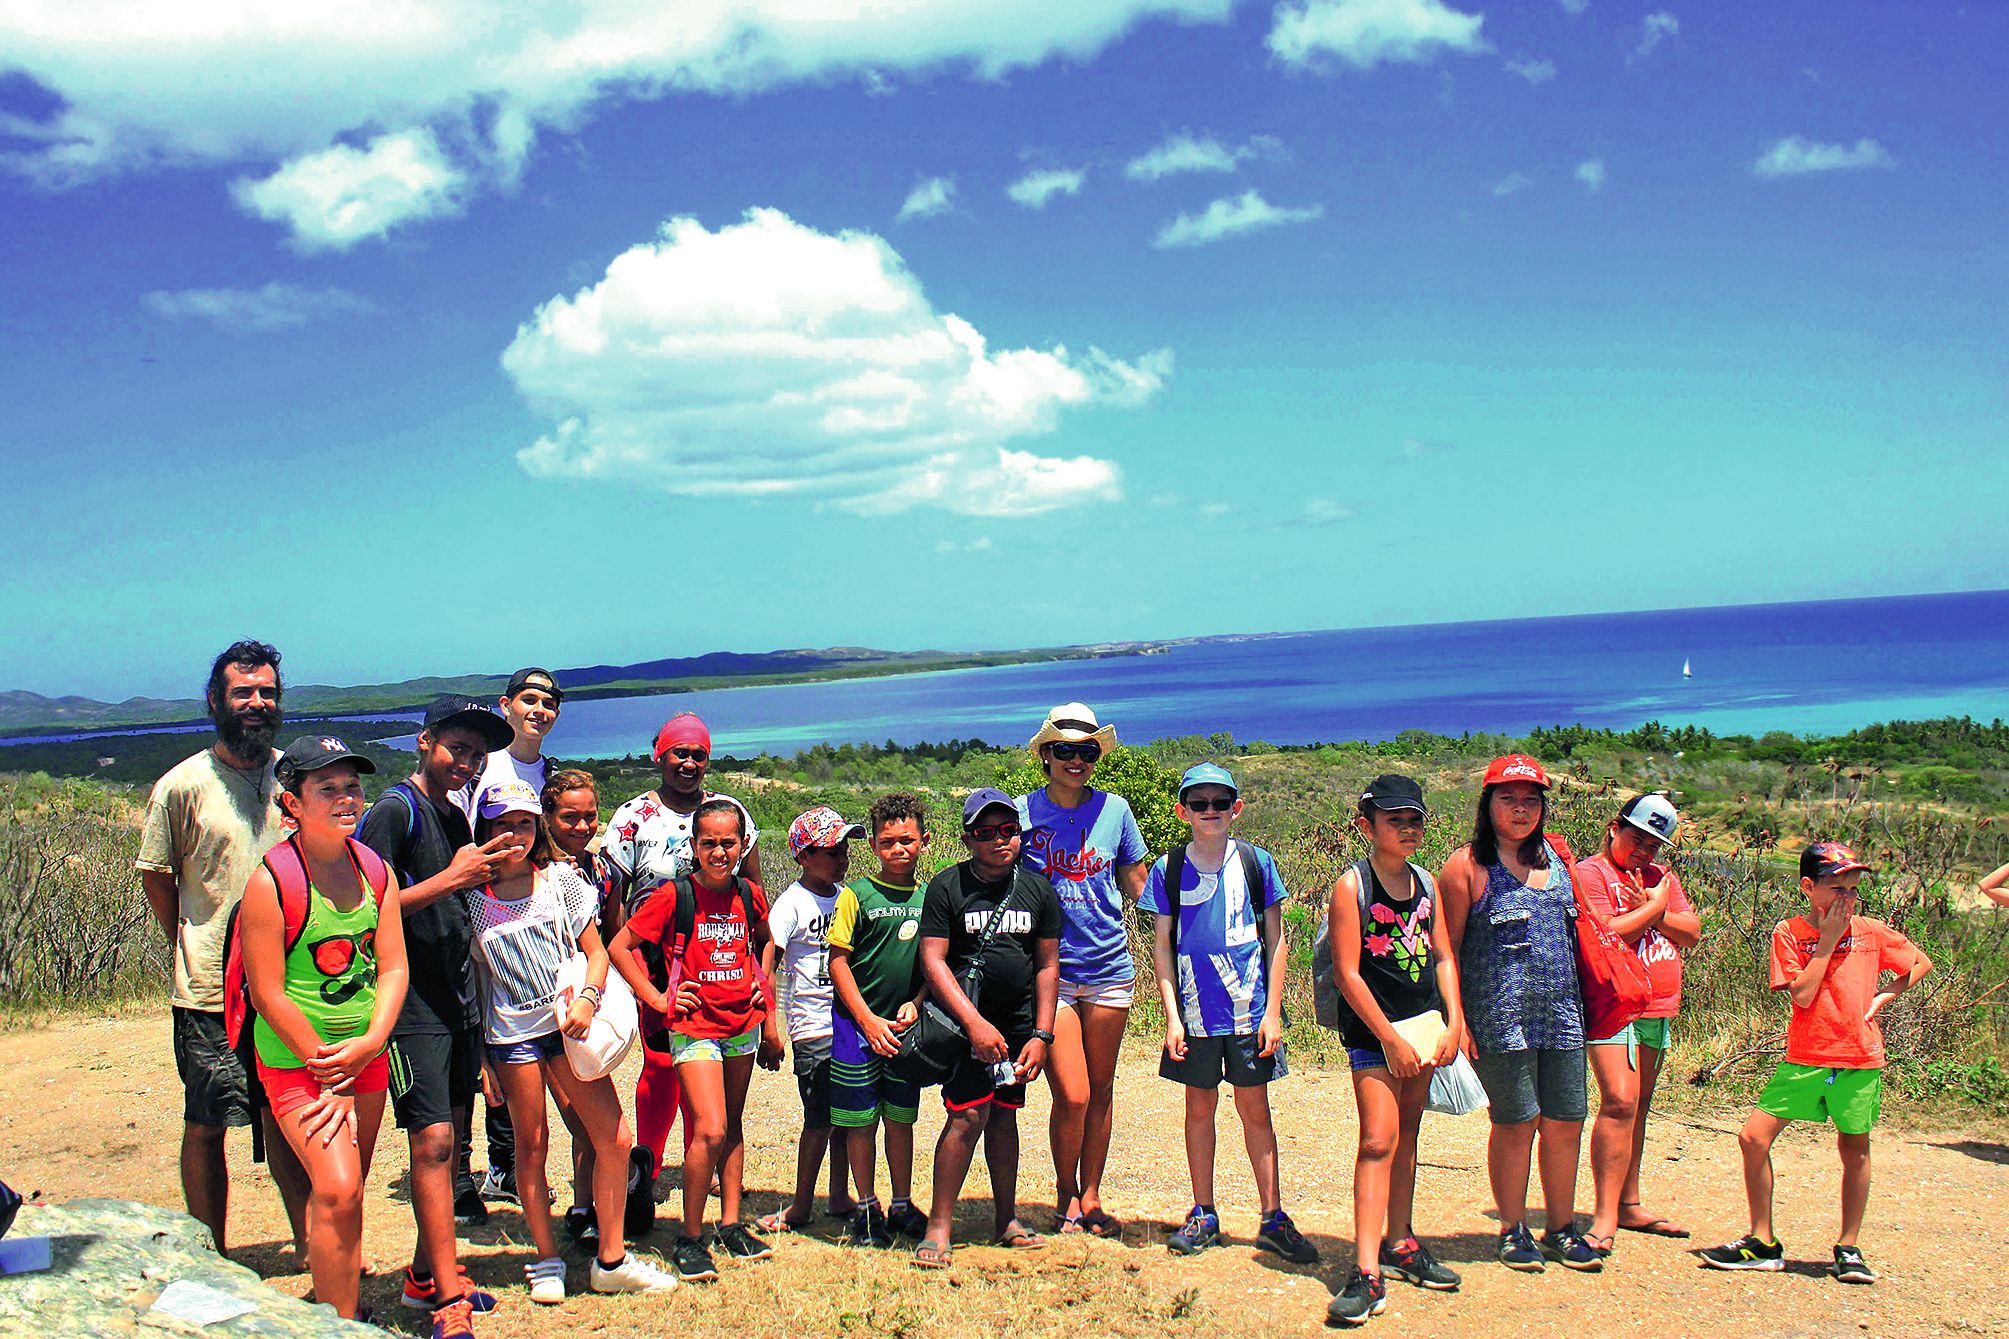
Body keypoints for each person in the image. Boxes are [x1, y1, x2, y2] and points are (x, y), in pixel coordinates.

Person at [465, 782, 678, 1301]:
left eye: (522, 822)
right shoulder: (470, 897)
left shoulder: (561, 881)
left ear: (536, 826)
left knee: (614, 1138)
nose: (513, 835)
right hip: (510, 1038)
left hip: (568, 1030)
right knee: (531, 1148)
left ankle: (610, 1258)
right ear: (483, 830)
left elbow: (598, 950)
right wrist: (482, 1061)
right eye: (500, 824)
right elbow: (476, 982)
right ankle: (545, 1258)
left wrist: (587, 996)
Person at [135, 640, 311, 1259]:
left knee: (288, 1122)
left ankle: (314, 1244)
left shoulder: (294, 776)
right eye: (244, 693)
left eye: (267, 693)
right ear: (216, 701)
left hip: (292, 985)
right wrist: (191, 938)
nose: (257, 704)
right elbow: (160, 876)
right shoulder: (181, 786)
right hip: (211, 985)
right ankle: (210, 1253)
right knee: (208, 1123)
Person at [357, 696, 516, 1335]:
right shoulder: (393, 813)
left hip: (456, 1000)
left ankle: (427, 1276)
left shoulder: (453, 814)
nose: (467, 762)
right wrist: (453, 880)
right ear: (424, 742)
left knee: (449, 1146)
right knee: (434, 1142)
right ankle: (446, 1297)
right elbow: (364, 916)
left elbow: (457, 896)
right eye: (457, 748)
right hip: (412, 1004)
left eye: (478, 754)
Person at [1702, 842, 1932, 1284]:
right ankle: (1762, 1242)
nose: (1846, 897)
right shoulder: (1789, 932)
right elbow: (1802, 995)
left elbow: (1918, 962)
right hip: (1806, 1058)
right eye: (1835, 887)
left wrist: (1887, 994)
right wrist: (1826, 941)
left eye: (1852, 887)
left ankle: (1848, 1246)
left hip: (1859, 1058)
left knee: (1855, 1148)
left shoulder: (1871, 931)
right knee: (1753, 1137)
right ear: (1809, 887)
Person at [242, 736, 409, 1321]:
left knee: (347, 1189)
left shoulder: (375, 871)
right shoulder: (271, 881)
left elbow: (392, 966)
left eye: (352, 787)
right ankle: (339, 1319)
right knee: (338, 1187)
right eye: (327, 789)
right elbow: (266, 992)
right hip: (299, 1059)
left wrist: (369, 1044)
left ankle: (337, 1305)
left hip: (363, 1054)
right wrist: (327, 1067)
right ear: (293, 802)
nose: (346, 799)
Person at [1142, 765, 1317, 1267]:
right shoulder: (1168, 868)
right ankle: (1203, 1212)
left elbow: (1277, 941)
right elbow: (1162, 947)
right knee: (1199, 1110)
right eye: (1199, 804)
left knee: (1255, 1111)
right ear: (1184, 812)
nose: (1211, 811)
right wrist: (1172, 1017)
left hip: (1248, 1012)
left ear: (1236, 808)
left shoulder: (1257, 863)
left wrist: (1274, 1012)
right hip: (1196, 1014)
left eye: (1221, 802)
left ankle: (1272, 1217)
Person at [1437, 755, 1600, 1273]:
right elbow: (1448, 949)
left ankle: (1560, 1227)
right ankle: (1512, 1228)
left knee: (1567, 1119)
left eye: (1531, 799)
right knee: (1515, 1121)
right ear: (1488, 805)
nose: (1520, 808)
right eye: (1508, 798)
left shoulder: (1558, 859)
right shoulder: (1466, 866)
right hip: (1497, 1020)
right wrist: (1455, 1020)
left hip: (1562, 1014)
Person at [600, 713, 762, 1211]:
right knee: (662, 1063)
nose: (689, 763)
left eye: (698, 754)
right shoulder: (633, 818)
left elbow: (752, 891)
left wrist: (755, 967)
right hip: (654, 961)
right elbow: (613, 897)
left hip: (719, 958)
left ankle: (705, 1156)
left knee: (710, 1064)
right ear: (660, 756)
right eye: (679, 753)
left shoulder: (729, 813)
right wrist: (627, 978)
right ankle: (645, 1162)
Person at [609, 799, 773, 1283]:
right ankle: (690, 1235)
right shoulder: (673, 896)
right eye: (709, 843)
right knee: (711, 1129)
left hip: (742, 1023)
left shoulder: (749, 893)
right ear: (693, 847)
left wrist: (761, 986)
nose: (719, 852)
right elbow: (620, 945)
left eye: (728, 843)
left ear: (743, 845)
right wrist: (657, 999)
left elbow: (765, 939)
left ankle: (731, 1224)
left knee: (734, 1124)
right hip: (694, 1026)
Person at [1324, 774, 1466, 1325]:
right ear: (1368, 826)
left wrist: (1454, 1021)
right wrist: (1389, 1038)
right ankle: (1366, 1271)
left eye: (1415, 819)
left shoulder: (1426, 882)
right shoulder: (1352, 887)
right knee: (1378, 1141)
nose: (1407, 829)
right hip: (1374, 1035)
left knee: (1407, 1137)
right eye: (1394, 820)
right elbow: (1347, 973)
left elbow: (1444, 958)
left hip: (1423, 1028)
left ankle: (1400, 1240)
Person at [911, 789, 1061, 1269]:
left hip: (1017, 1026)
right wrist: (974, 1024)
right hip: (964, 1026)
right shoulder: (947, 887)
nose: (999, 840)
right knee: (965, 1117)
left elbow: (1047, 965)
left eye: (1008, 830)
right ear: (968, 838)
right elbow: (933, 960)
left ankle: (1005, 1219)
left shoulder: (1038, 889)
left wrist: (1041, 1034)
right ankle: (939, 1226)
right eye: (986, 833)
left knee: (1004, 1116)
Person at [1016, 703, 1150, 1238]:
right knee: (1071, 1093)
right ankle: (1063, 1190)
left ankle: (1089, 1194)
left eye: (1087, 750)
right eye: (1065, 750)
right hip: (1051, 973)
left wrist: (1193, 921)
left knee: (1100, 1089)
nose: (1076, 760)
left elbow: (1138, 884)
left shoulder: (1115, 811)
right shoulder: (1022, 814)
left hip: (1109, 965)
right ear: (1046, 754)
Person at [1574, 793, 1701, 1253]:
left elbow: (1691, 932)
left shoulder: (1659, 878)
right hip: (1614, 1002)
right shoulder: (1591, 873)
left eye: (1654, 845)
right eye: (1638, 838)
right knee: (1620, 1102)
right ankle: (1603, 1216)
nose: (1644, 851)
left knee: (1639, 1104)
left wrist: (1656, 907)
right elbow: (1607, 932)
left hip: (1659, 1002)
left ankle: (1628, 1202)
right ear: (1615, 827)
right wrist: (1654, 908)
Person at [465, 668, 566, 1208]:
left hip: (534, 900)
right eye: (529, 699)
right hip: (487, 902)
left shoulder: (544, 770)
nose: (540, 709)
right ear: (505, 705)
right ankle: (495, 1166)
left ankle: (510, 1166)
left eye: (549, 703)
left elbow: (545, 833)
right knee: (498, 1039)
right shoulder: (486, 766)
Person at [826, 792, 932, 1247]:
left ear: (924, 841)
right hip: (857, 1029)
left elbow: (935, 963)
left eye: (907, 840)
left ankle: (903, 1204)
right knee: (860, 1119)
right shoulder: (857, 895)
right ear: (873, 846)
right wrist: (866, 1019)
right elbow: (838, 963)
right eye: (888, 842)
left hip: (905, 1029)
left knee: (901, 1118)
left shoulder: (931, 898)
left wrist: (919, 1001)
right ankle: (866, 1205)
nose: (899, 850)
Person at [754, 807, 861, 1235]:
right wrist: (770, 1027)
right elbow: (769, 965)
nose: (841, 857)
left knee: (844, 1116)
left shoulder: (848, 897)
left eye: (843, 848)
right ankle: (801, 1204)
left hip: (846, 1022)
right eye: (829, 849)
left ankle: (837, 1195)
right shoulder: (792, 904)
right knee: (818, 1117)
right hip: (812, 1023)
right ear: (803, 855)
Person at [540, 768, 613, 1243]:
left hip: (587, 1002)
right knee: (573, 1115)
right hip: (541, 1011)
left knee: (590, 1117)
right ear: (547, 816)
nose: (582, 826)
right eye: (570, 817)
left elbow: (609, 931)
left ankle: (585, 1208)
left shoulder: (600, 868)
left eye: (590, 816)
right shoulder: (533, 872)